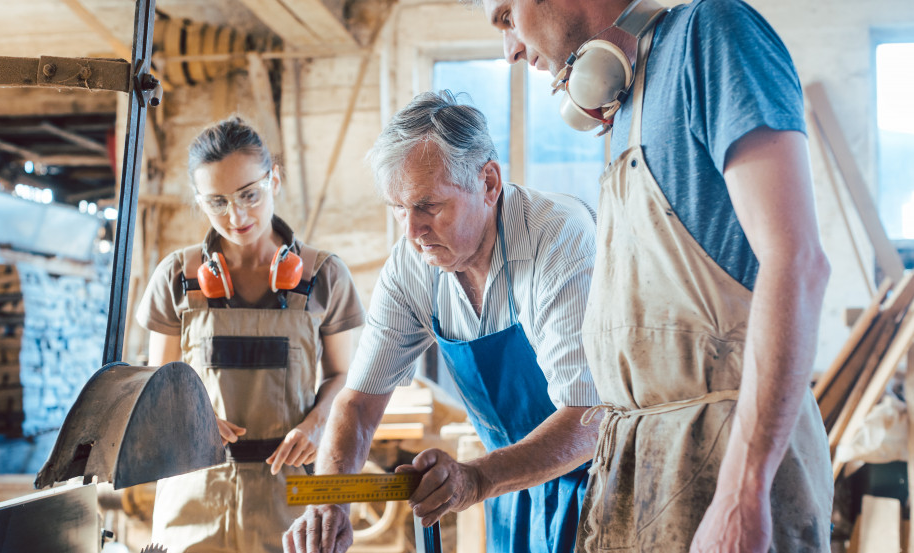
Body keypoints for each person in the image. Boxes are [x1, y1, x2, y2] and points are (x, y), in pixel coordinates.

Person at [470, 0, 834, 551]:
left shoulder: (711, 36)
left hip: (725, 462)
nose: (511, 49)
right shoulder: (625, 102)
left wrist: (742, 493)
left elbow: (798, 262)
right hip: (641, 469)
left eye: (505, 16)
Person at [283, 90, 601, 553]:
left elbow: (589, 417)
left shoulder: (559, 239)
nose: (412, 232)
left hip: (599, 475)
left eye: (428, 206)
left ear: (488, 183)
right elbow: (357, 404)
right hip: (513, 484)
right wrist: (334, 502)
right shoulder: (412, 265)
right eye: (398, 209)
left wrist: (476, 478)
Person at [135, 116, 365, 553]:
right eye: (217, 202)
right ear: (199, 201)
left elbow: (343, 377)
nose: (236, 216)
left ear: (274, 179)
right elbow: (157, 381)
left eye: (249, 195)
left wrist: (318, 425)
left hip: (291, 499)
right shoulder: (176, 278)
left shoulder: (323, 275)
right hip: (195, 494)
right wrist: (191, 414)